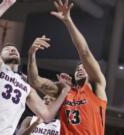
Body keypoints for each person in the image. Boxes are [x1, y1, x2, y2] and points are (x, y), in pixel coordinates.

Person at [0, 0, 71, 135]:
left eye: (14, 49)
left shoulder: (27, 88)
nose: (12, 49)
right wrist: (6, 3)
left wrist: (65, 91)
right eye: (7, 49)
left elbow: (47, 115)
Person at [27, 0, 107, 134]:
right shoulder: (64, 91)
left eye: (84, 68)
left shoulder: (97, 87)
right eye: (77, 69)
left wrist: (68, 21)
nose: (80, 69)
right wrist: (31, 54)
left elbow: (84, 52)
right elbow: (35, 81)